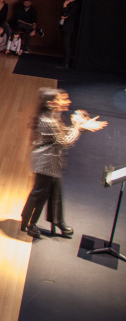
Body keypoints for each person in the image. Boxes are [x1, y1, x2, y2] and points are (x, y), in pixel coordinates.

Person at [20, 89, 107, 238]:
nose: (68, 102)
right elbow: (63, 142)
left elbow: (64, 132)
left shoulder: (53, 116)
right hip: (45, 164)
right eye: (63, 99)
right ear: (51, 103)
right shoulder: (47, 121)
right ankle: (29, 223)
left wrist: (82, 127)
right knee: (40, 194)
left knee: (53, 192)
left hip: (53, 162)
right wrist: (79, 128)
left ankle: (56, 221)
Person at [58, 0, 78, 68]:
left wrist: (64, 6)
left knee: (66, 44)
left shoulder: (74, 6)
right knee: (64, 44)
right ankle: (64, 60)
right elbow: (62, 15)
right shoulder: (69, 5)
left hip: (68, 28)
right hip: (63, 26)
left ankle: (66, 63)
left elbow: (66, 14)